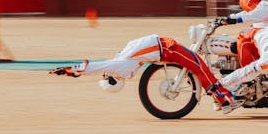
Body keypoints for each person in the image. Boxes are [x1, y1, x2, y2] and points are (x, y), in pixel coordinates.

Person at [49, 34, 242, 114]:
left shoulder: (119, 67)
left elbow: (93, 66)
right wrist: (71, 71)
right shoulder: (118, 62)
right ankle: (224, 99)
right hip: (165, 46)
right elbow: (97, 68)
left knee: (200, 66)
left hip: (166, 48)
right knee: (200, 66)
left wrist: (72, 69)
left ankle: (222, 97)